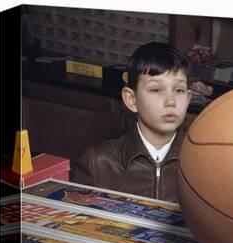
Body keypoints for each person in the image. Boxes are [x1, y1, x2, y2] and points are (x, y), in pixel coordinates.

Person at [71, 42, 192, 202]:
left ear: (188, 99)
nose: (170, 101)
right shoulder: (96, 163)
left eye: (178, 90)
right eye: (156, 90)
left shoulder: (205, 161)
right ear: (131, 100)